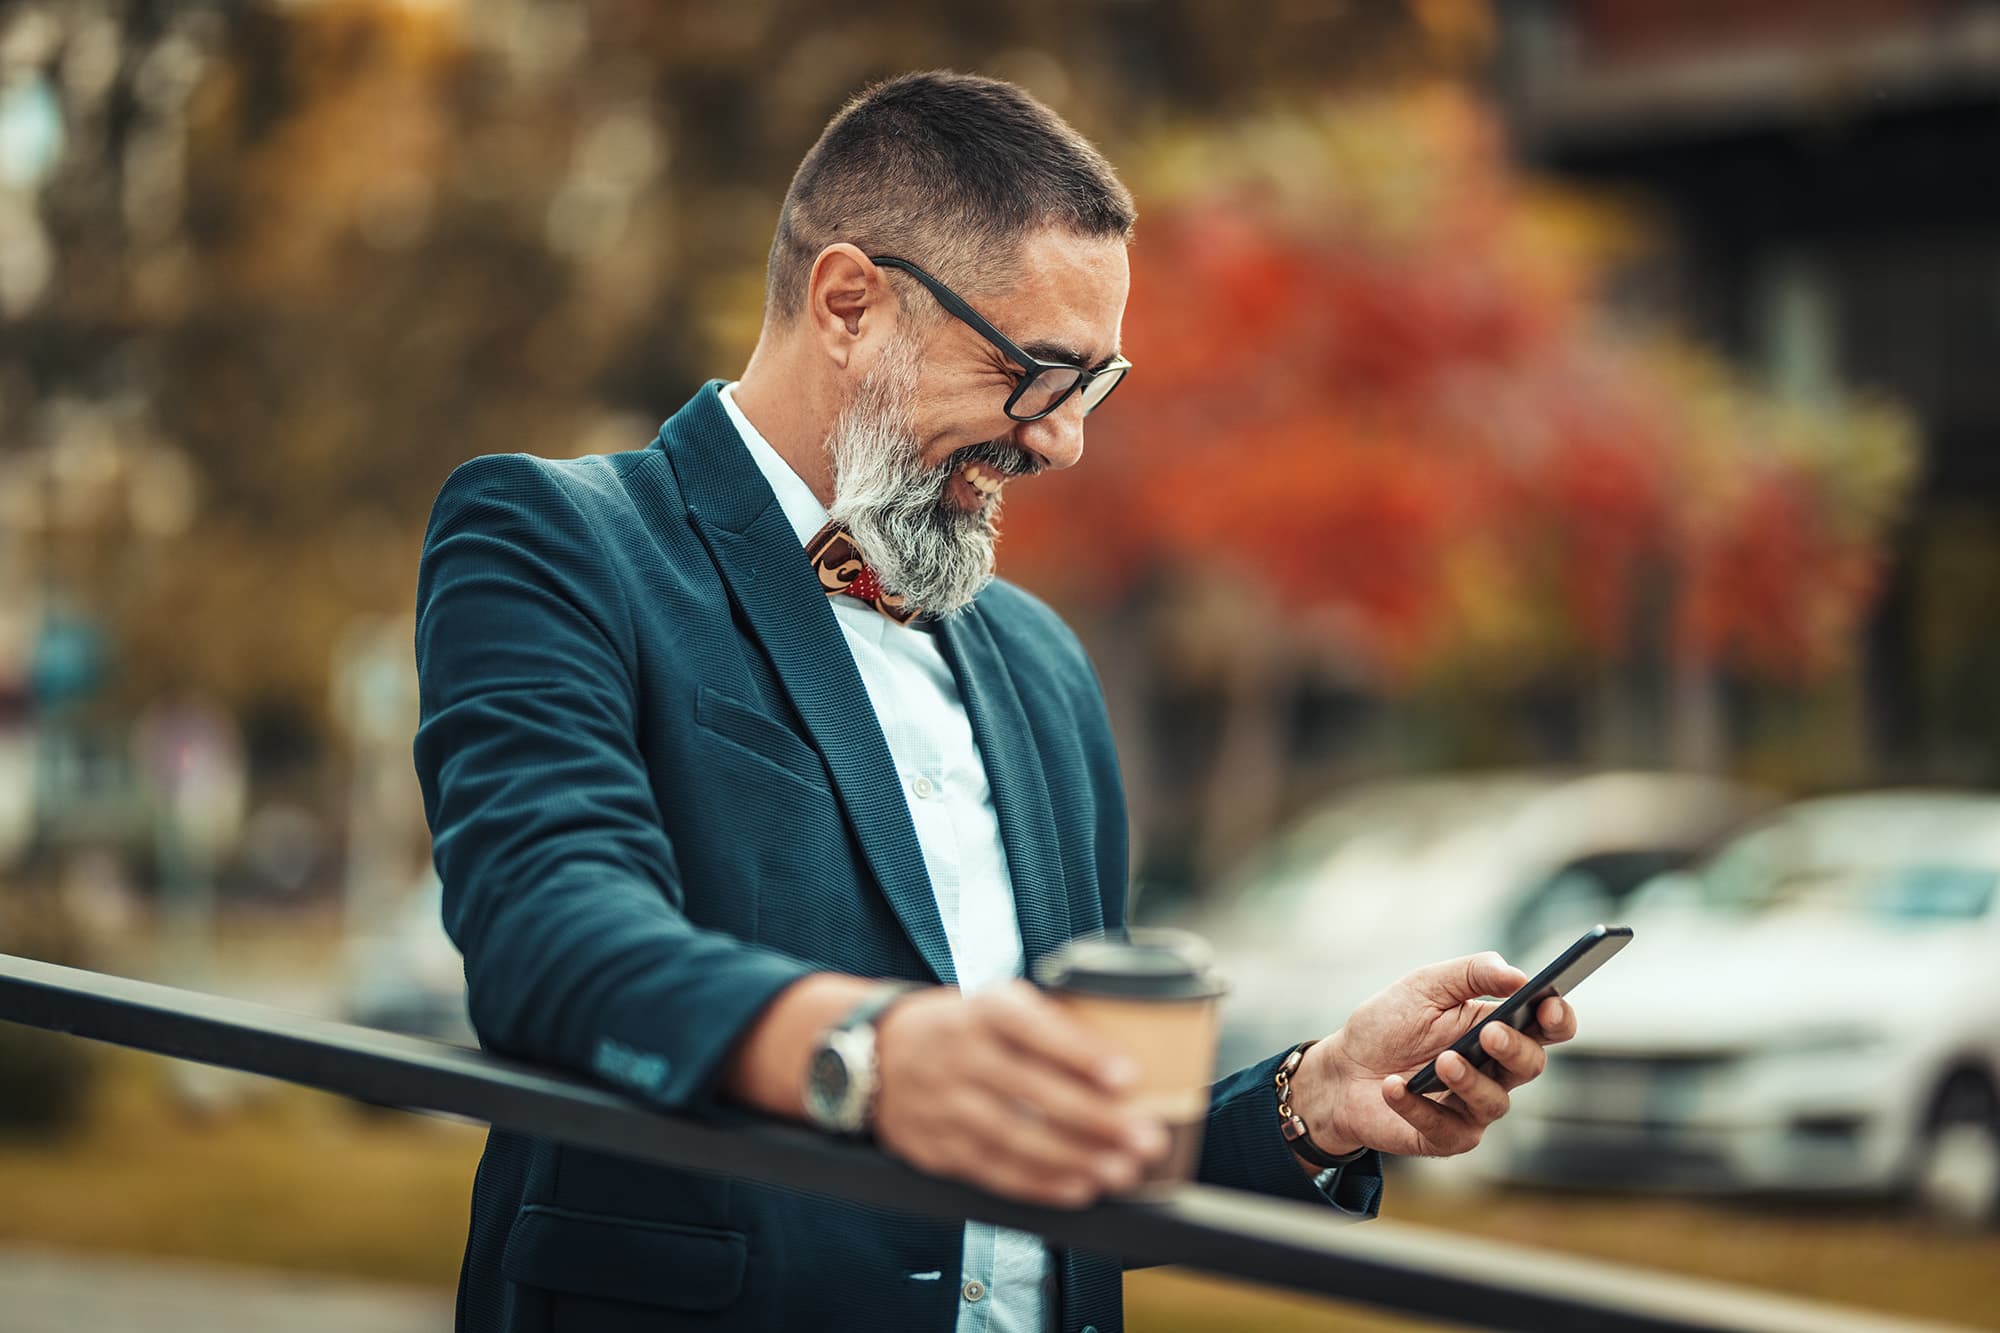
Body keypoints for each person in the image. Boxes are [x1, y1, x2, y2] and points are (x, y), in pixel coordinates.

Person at [413, 70, 1576, 1333]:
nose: (1065, 440)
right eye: (1036, 370)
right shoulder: (554, 539)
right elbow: (546, 934)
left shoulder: (1042, 663)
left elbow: (1082, 1155)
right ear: (849, 304)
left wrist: (1314, 1104)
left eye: (1094, 384)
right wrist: (869, 1052)